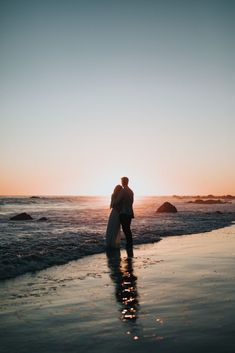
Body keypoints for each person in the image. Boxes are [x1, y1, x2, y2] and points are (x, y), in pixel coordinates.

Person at [114, 177, 134, 255]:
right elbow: (131, 202)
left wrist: (114, 201)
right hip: (129, 212)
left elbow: (117, 201)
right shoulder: (131, 191)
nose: (121, 182)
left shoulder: (123, 191)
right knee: (128, 229)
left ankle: (128, 244)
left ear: (123, 182)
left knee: (125, 229)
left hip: (124, 213)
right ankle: (129, 244)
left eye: (122, 181)